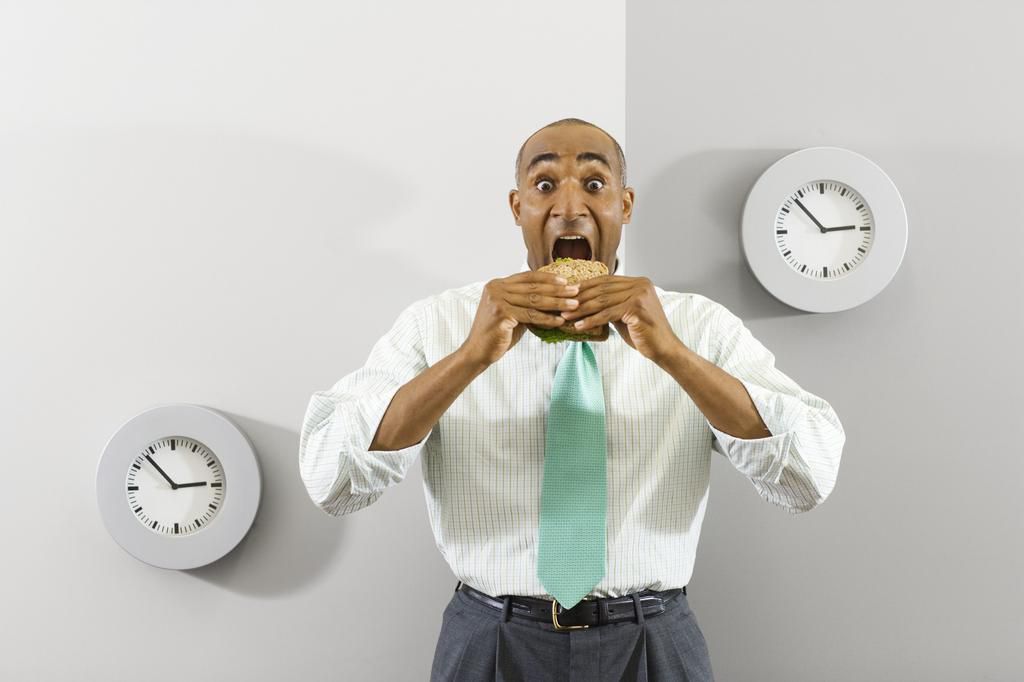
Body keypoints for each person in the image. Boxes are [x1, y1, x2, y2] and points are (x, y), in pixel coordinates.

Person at [298, 118, 845, 681]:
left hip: (653, 637)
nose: (568, 207)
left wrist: (672, 355)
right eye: (543, 186)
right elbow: (331, 479)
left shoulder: (696, 327)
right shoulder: (438, 325)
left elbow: (808, 474)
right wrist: (469, 358)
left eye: (593, 183)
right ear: (516, 208)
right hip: (491, 638)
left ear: (625, 205)